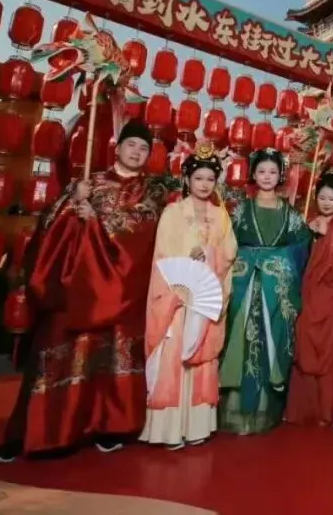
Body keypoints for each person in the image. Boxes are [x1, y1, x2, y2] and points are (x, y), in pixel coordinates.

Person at [0, 121, 168, 462]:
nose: (136, 152)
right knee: (61, 353)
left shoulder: (151, 194)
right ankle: (44, 432)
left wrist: (96, 223)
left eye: (144, 148)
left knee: (113, 356)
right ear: (117, 148)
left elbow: (141, 237)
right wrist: (73, 206)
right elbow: (48, 228)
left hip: (121, 293)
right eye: (131, 145)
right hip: (75, 289)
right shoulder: (87, 183)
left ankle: (111, 427)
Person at [141, 143, 237, 449]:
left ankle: (196, 427)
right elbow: (163, 255)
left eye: (210, 179)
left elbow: (229, 254)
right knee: (174, 355)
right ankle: (168, 430)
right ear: (186, 180)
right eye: (198, 178)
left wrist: (209, 254)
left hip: (205, 296)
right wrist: (186, 260)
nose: (204, 184)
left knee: (201, 359)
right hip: (177, 298)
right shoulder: (173, 213)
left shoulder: (221, 216)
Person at [219, 147, 311, 434]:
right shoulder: (240, 210)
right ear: (253, 174)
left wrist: (276, 260)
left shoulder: (291, 215)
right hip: (243, 285)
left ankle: (264, 408)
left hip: (275, 288)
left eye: (273, 171)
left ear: (280, 175)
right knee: (239, 340)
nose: (267, 176)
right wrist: (248, 259)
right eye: (261, 171)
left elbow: (302, 247)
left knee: (272, 340)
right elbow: (226, 244)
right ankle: (233, 406)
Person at [285, 166, 333, 426]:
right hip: (309, 294)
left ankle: (328, 410)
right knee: (304, 343)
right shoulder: (309, 224)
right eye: (322, 197)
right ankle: (304, 410)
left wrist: (326, 238)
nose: (326, 203)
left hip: (332, 296)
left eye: (332, 198)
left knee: (328, 349)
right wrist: (307, 235)